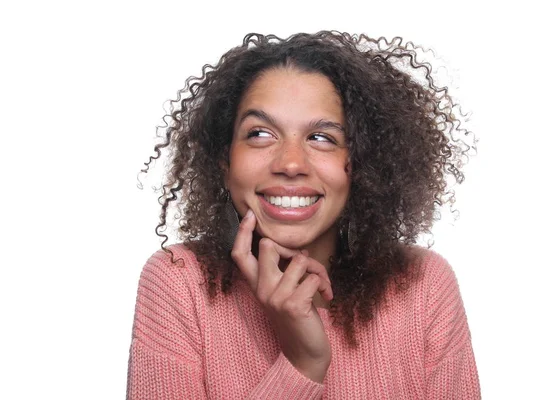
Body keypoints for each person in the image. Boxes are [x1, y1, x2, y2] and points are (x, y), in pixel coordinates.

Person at [127, 31, 480, 399]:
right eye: (260, 133)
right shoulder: (180, 283)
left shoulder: (422, 286)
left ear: (362, 165)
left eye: (322, 138)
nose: (291, 163)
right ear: (225, 163)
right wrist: (303, 365)